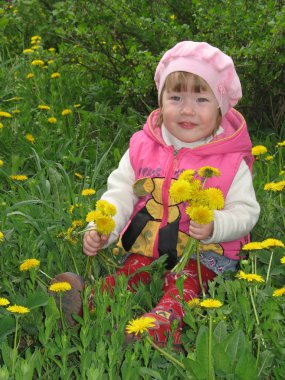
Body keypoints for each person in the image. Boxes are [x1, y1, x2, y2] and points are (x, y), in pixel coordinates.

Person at [51, 41, 260, 347]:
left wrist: (218, 225)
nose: (187, 109)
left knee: (186, 283)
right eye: (175, 97)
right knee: (131, 273)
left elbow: (247, 211)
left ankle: (161, 326)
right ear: (160, 100)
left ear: (221, 106)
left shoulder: (229, 160)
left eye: (201, 99)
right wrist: (103, 228)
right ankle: (84, 304)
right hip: (149, 247)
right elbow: (121, 191)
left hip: (205, 254)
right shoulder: (143, 146)